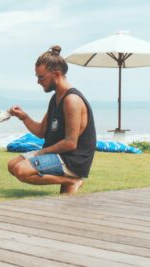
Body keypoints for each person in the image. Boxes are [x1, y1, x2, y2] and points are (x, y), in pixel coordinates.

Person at [7, 45, 96, 194]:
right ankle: (68, 183)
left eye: (41, 77)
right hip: (58, 155)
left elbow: (71, 143)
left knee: (21, 170)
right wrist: (24, 117)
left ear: (56, 74)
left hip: (72, 160)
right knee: (12, 165)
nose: (38, 82)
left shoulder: (71, 100)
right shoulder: (56, 98)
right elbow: (42, 131)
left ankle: (72, 180)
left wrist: (41, 153)